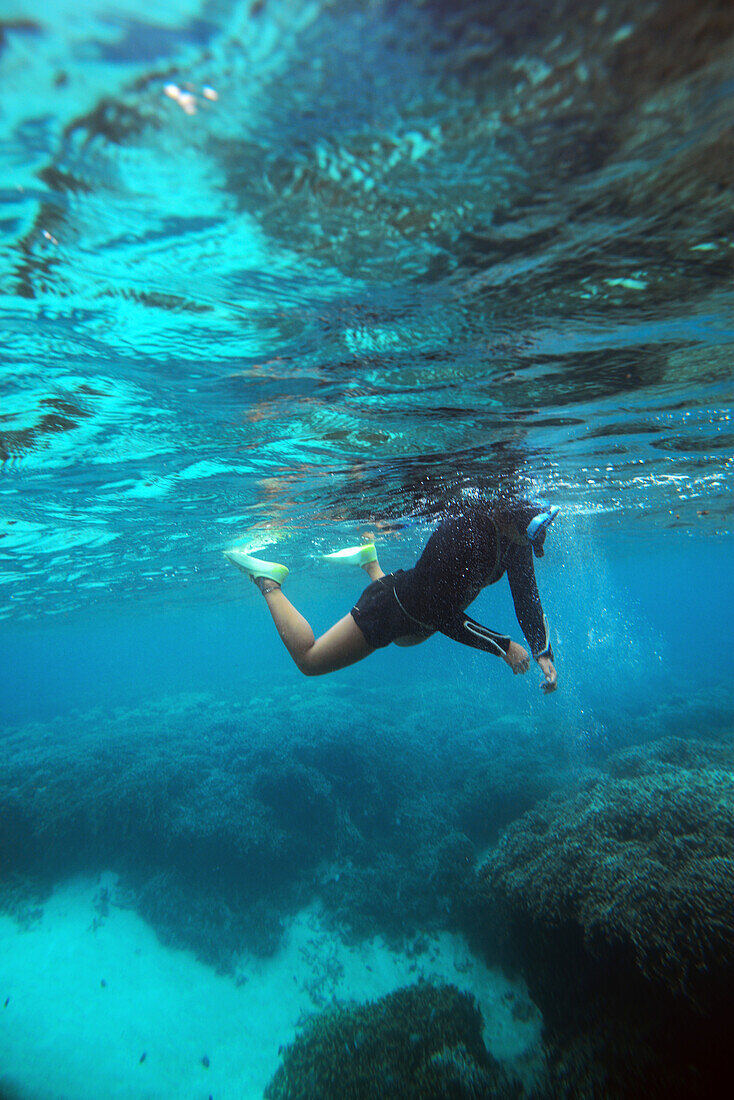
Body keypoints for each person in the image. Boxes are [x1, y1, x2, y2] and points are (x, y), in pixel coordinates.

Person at [224, 499, 559, 692]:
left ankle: (369, 561)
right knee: (309, 662)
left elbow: (527, 596)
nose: (536, 543)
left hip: (416, 618)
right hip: (389, 609)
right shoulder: (463, 533)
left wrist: (541, 650)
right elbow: (440, 611)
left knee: (407, 638)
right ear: (502, 511)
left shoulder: (516, 541)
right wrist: (501, 646)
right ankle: (269, 581)